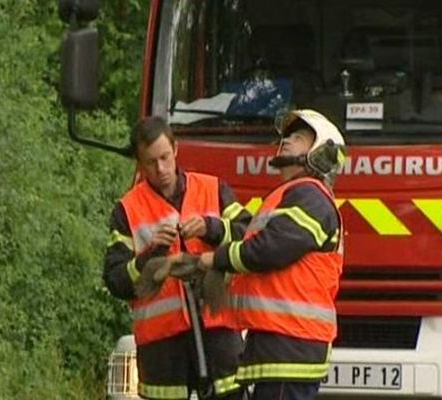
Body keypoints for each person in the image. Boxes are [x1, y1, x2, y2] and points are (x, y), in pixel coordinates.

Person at [194, 109, 347, 400]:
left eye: (299, 137)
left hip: (290, 345)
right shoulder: (291, 195)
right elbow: (254, 239)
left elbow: (269, 249)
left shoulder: (309, 196)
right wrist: (211, 231)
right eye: (287, 135)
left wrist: (215, 259)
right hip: (281, 344)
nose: (286, 141)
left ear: (320, 153)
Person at [103, 116, 251, 400]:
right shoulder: (127, 209)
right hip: (163, 348)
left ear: (176, 150)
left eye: (165, 157)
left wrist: (213, 227)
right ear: (139, 162)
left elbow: (251, 238)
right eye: (150, 163)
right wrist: (150, 255)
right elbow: (116, 280)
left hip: (219, 334)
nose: (160, 169)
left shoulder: (213, 189)